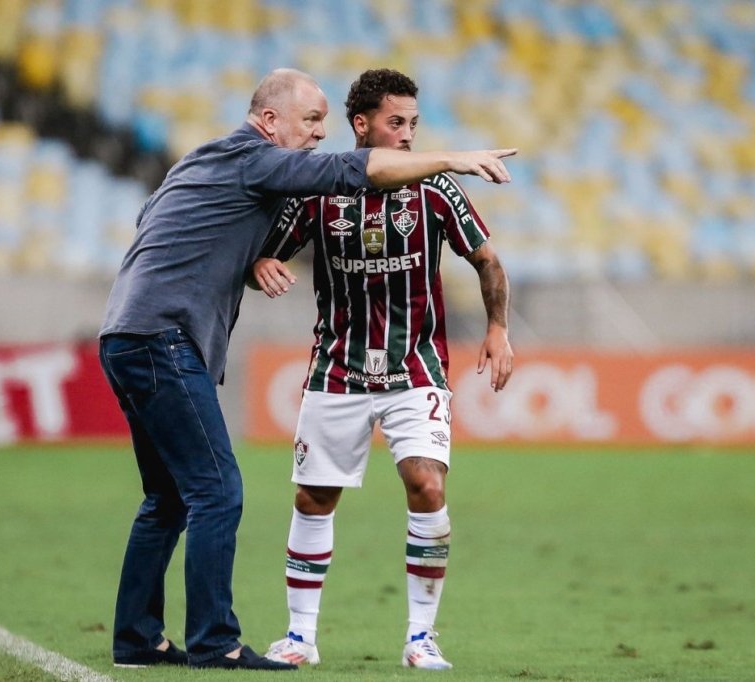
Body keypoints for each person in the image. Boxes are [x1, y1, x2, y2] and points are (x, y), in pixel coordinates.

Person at [98, 67, 516, 671]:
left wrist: (244, 257)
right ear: (271, 121)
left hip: (128, 334)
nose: (318, 134)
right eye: (310, 121)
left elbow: (154, 216)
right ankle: (223, 642)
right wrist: (458, 157)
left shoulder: (203, 159)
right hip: (203, 346)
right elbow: (348, 173)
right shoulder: (269, 166)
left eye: (414, 124)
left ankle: (138, 638)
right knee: (218, 490)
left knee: (167, 497)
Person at [252, 69, 514, 670]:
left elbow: (488, 261)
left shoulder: (436, 189)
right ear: (361, 125)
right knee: (314, 497)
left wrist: (498, 328)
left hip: (415, 368)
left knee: (428, 485)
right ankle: (300, 637)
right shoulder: (318, 189)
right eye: (396, 123)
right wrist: (259, 264)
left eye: (413, 123)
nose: (407, 134)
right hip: (337, 368)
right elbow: (261, 252)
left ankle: (421, 637)